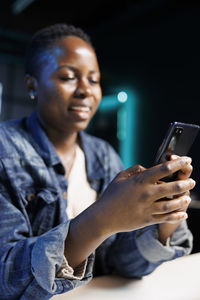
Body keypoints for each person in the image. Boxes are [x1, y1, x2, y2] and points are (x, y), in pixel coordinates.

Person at [0, 23, 195, 300]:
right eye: (68, 77)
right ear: (32, 84)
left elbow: (122, 265)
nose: (85, 90)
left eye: (93, 80)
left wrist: (164, 222)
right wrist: (100, 220)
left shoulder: (102, 154)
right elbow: (5, 276)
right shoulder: (4, 149)